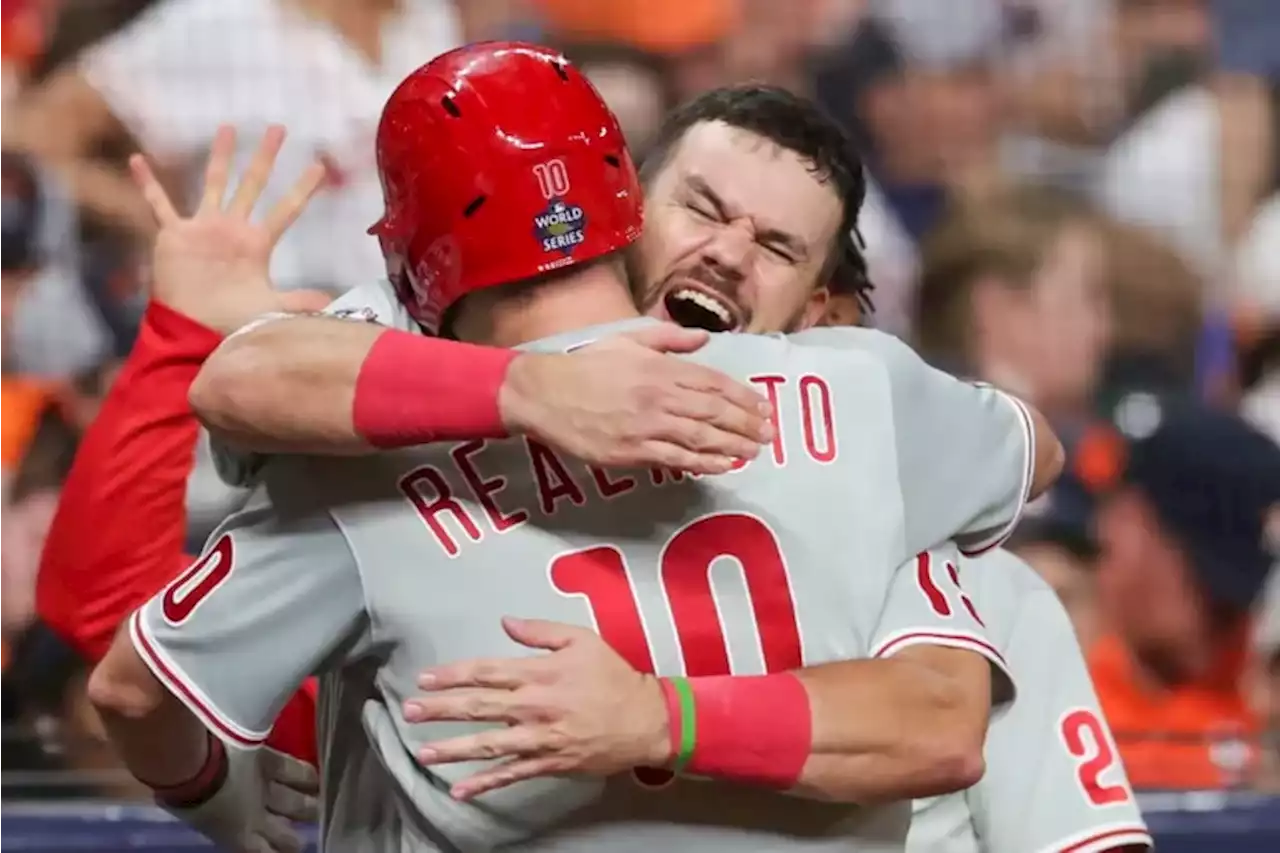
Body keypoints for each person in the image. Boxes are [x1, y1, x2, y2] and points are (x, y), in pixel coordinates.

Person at [87, 43, 1050, 851]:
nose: (726, 253)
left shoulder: (362, 465)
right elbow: (1031, 452)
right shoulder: (869, 395)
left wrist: (221, 798)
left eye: (777, 247)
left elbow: (134, 685)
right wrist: (531, 389)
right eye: (706, 211)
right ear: (632, 204)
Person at [1082, 391, 1280, 790]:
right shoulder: (1058, 686)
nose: (1223, 621)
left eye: (1229, 602)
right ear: (1127, 528)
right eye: (1203, 583)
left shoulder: (1256, 692)